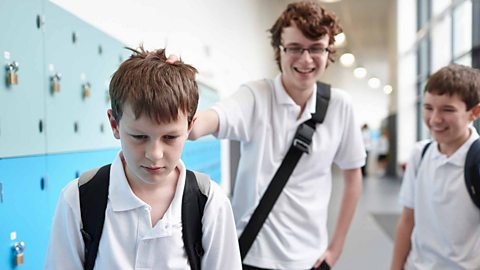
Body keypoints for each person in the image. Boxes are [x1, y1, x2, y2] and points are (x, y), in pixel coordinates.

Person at [188, 1, 365, 269]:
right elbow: (201, 125)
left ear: (328, 51)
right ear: (278, 50)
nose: (306, 59)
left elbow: (353, 177)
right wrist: (174, 86)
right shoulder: (256, 97)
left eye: (316, 48)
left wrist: (335, 248)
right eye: (294, 48)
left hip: (311, 258)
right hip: (251, 253)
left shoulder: (340, 106)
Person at [44, 47, 242, 269]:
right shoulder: (79, 199)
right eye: (139, 136)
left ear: (190, 127)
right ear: (114, 124)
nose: (154, 154)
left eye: (170, 137)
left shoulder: (210, 203)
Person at [391, 64, 480, 269]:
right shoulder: (419, 155)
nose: (435, 119)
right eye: (428, 107)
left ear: (474, 112)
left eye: (448, 110)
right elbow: (407, 221)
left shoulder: (476, 161)